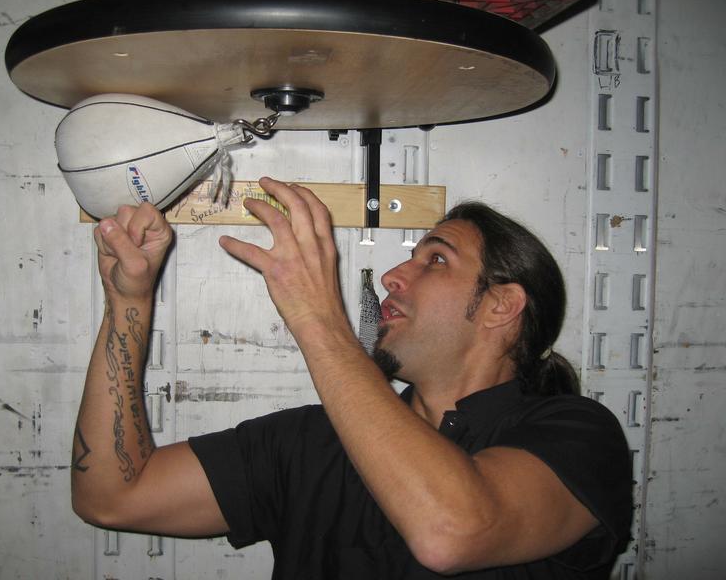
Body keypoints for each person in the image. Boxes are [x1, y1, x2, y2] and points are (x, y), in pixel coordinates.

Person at [71, 177, 632, 578]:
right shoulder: (311, 442)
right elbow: (113, 497)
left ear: (501, 306)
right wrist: (128, 303)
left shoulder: (578, 436)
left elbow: (452, 531)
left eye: (436, 259)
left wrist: (317, 318)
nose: (392, 276)